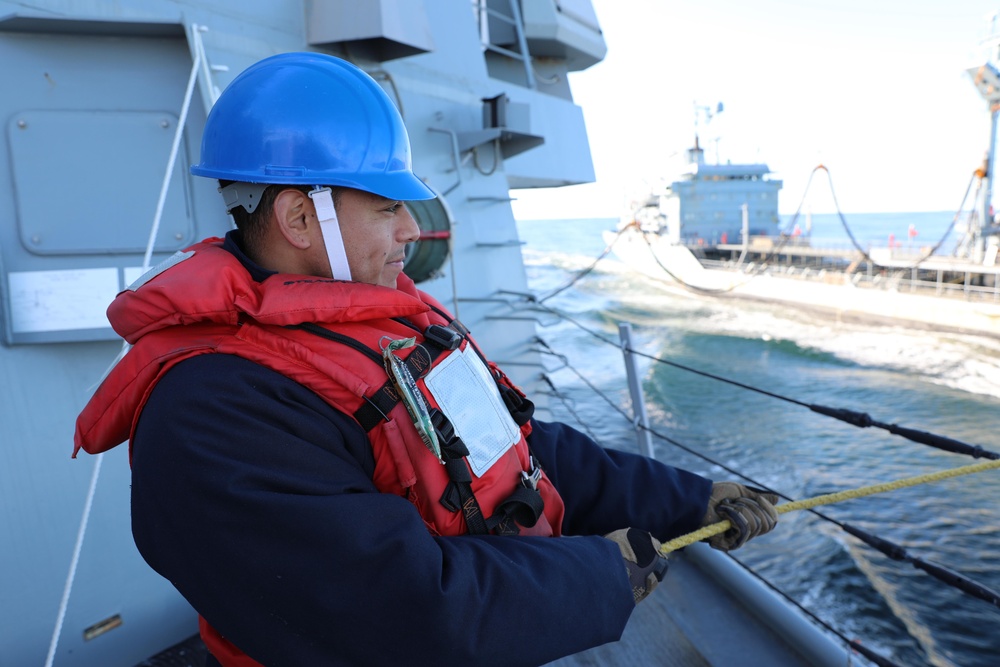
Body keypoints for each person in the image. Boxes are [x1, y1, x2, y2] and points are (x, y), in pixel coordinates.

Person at [73, 52, 778, 667]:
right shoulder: (213, 413)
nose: (414, 228)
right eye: (385, 207)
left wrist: (686, 497)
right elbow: (399, 608)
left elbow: (511, 448)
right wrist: (598, 576)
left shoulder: (377, 322)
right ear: (296, 218)